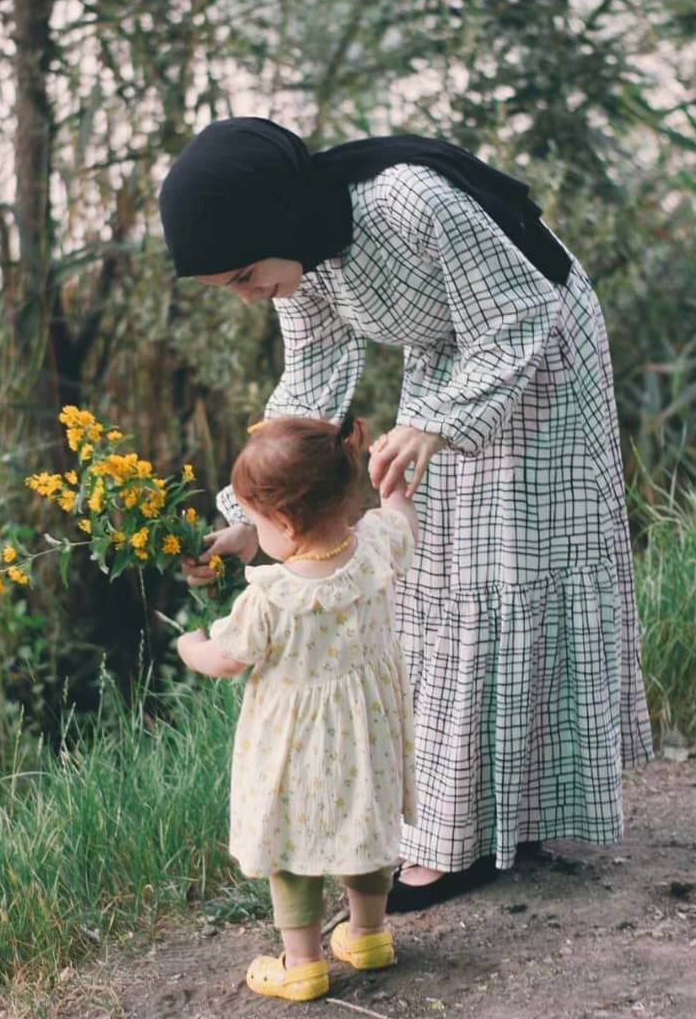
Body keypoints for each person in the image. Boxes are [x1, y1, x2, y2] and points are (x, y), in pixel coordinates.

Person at [162, 116, 653, 913]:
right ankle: (470, 823)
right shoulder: (298, 258)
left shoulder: (410, 202)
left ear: (275, 220)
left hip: (541, 352)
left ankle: (483, 837)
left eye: (247, 275)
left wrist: (437, 422)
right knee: (436, 573)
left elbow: (520, 312)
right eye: (231, 287)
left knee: (507, 568)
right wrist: (249, 519)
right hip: (450, 363)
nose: (249, 295)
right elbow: (310, 385)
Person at [177, 415, 418, 1002]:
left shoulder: (272, 597)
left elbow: (227, 660)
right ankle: (369, 935)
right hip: (366, 736)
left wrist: (191, 647)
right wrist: (392, 486)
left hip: (295, 748)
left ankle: (303, 964)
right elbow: (401, 517)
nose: (255, 533)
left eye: (256, 522)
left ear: (284, 522)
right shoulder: (376, 548)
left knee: (290, 843)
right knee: (364, 822)